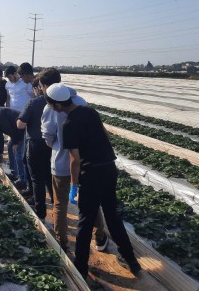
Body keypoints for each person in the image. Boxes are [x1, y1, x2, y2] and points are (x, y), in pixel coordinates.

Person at [46, 83, 142, 280]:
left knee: (86, 220)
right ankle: (132, 261)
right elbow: (104, 135)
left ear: (56, 105)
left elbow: (75, 159)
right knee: (112, 216)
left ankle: (81, 267)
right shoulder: (90, 112)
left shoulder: (68, 125)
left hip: (91, 175)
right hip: (109, 169)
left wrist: (74, 185)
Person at [39, 68, 108, 252]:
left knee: (60, 203)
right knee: (90, 202)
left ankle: (62, 242)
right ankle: (100, 236)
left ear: (47, 87)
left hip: (61, 163)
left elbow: (48, 138)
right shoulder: (81, 102)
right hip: (84, 163)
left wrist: (57, 144)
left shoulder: (49, 107)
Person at [17, 75, 53, 221]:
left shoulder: (34, 103)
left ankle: (41, 211)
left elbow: (21, 124)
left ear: (40, 87)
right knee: (50, 176)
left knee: (37, 179)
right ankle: (57, 205)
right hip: (52, 145)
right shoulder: (59, 102)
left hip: (36, 144)